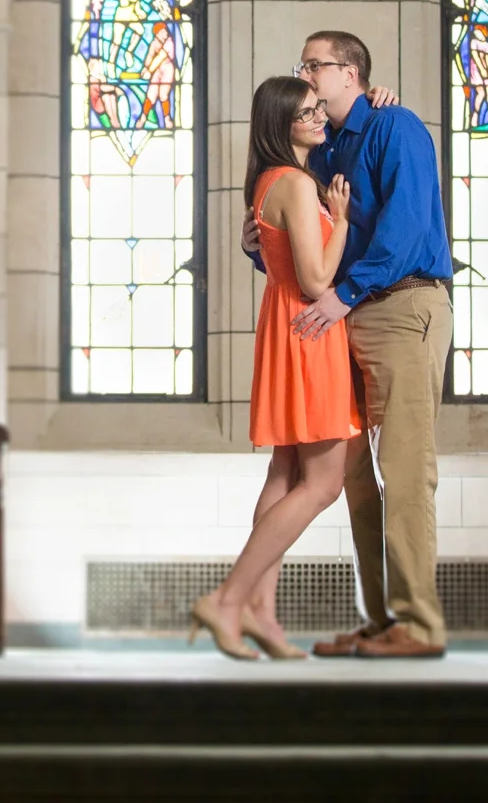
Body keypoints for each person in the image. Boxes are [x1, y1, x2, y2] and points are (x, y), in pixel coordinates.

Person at [243, 32, 455, 658]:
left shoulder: (395, 127)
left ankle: (419, 625)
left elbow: (405, 225)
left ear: (351, 73)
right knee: (354, 478)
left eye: (316, 64)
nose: (306, 74)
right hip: (343, 317)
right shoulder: (322, 147)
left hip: (400, 307)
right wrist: (260, 247)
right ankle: (382, 620)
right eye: (302, 65)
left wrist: (345, 293)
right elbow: (309, 248)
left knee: (405, 469)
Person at [188, 75, 358, 660]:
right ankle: (229, 599)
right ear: (280, 126)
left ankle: (260, 611)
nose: (318, 118)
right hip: (310, 331)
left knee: (285, 474)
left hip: (284, 327)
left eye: (318, 108)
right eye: (305, 114)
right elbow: (316, 280)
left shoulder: (267, 181)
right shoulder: (296, 184)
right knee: (324, 483)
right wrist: (342, 220)